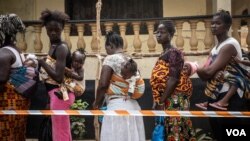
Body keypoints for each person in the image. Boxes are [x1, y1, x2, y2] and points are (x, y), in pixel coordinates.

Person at [196, 9, 248, 141]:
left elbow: (207, 72)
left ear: (227, 26)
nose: (213, 26)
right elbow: (204, 76)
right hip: (215, 94)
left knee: (230, 134)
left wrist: (197, 67)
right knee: (217, 133)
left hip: (231, 97)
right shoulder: (215, 48)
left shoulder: (229, 45)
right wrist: (206, 72)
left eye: (217, 23)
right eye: (212, 23)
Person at [93, 31, 146, 141]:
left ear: (110, 45)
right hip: (133, 106)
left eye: (106, 48)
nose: (106, 51)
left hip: (117, 107)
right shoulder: (130, 60)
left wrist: (97, 103)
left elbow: (103, 85)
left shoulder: (110, 58)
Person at [150, 20, 196, 141]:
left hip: (175, 100)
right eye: (157, 32)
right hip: (166, 99)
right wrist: (157, 99)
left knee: (176, 132)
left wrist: (161, 101)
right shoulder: (164, 53)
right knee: (167, 132)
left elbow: (173, 79)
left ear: (170, 34)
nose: (158, 35)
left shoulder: (174, 53)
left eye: (162, 32)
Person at [38, 9, 74, 141]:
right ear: (45, 28)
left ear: (62, 28)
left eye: (57, 30)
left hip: (60, 94)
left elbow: (58, 77)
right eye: (49, 29)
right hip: (55, 95)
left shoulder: (61, 48)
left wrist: (42, 63)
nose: (53, 32)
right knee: (62, 130)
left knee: (60, 132)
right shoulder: (53, 46)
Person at [0, 13, 29, 141]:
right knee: (17, 134)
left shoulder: (4, 52)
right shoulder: (16, 50)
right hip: (19, 102)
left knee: (6, 134)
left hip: (8, 103)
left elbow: (1, 79)